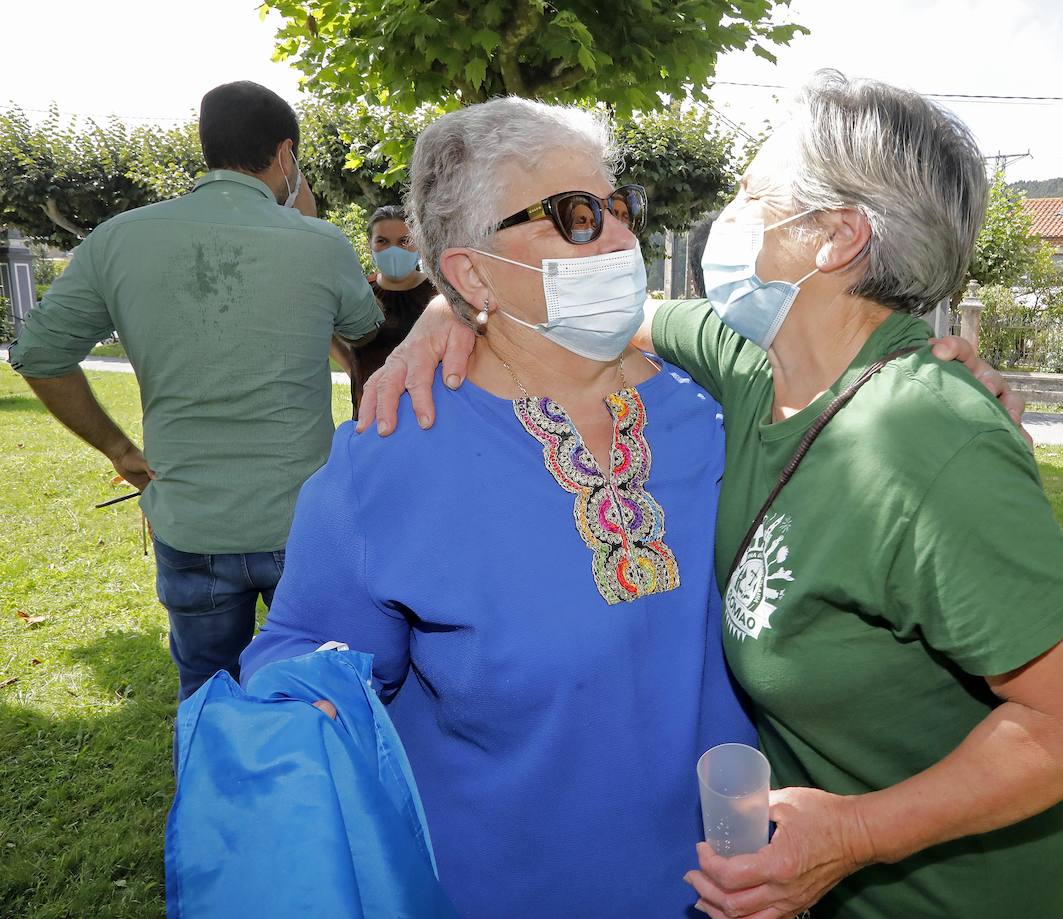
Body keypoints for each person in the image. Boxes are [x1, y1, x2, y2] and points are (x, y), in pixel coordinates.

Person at [360, 71, 1063, 918]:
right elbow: (591, 309)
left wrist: (854, 834)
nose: (723, 220)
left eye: (750, 195)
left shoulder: (929, 434)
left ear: (835, 237)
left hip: (939, 892)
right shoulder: (753, 367)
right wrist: (452, 303)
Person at [237, 97, 757, 916]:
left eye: (617, 206)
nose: (622, 239)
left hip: (730, 885)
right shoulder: (389, 457)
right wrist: (303, 705)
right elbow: (301, 649)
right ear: (473, 271)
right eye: (575, 217)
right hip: (500, 890)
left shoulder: (718, 413)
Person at [7, 81, 383, 703]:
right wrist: (308, 225)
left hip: (191, 520)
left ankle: (217, 800)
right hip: (303, 520)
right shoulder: (318, 242)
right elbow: (365, 331)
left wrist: (119, 451)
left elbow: (39, 357)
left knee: (207, 695)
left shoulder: (119, 238)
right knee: (323, 694)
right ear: (285, 155)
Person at [333, 205, 437, 418]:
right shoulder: (360, 292)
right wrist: (353, 369)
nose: (394, 250)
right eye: (383, 241)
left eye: (404, 241)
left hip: (426, 414)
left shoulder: (439, 294)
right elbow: (327, 326)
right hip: (368, 415)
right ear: (370, 244)